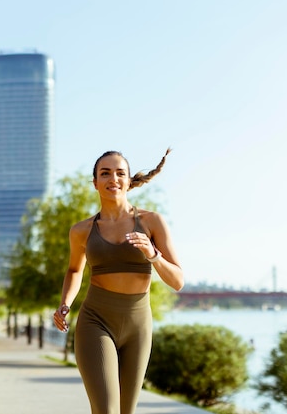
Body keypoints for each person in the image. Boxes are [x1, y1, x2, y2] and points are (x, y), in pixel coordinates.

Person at [53, 148, 184, 414]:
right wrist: (65, 304)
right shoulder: (81, 230)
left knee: (126, 411)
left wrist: (153, 254)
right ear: (95, 182)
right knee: (106, 410)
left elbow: (178, 281)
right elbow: (75, 271)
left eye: (120, 173)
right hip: (96, 320)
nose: (113, 178)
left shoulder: (151, 222)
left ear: (128, 181)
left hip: (138, 324)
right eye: (105, 173)